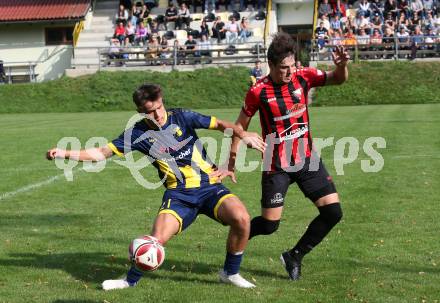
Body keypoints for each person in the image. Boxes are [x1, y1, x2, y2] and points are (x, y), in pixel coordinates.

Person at [46, 83, 267, 289]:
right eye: (150, 112)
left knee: (242, 218)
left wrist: (244, 135)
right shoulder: (137, 133)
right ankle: (129, 281)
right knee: (154, 241)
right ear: (141, 112)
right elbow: (100, 153)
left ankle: (230, 273)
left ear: (162, 101)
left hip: (210, 186)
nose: (157, 115)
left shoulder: (182, 116)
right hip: (179, 195)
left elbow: (221, 125)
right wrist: (65, 152)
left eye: (159, 107)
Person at [213, 32, 349, 281]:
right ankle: (238, 234)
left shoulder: (304, 76)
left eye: (292, 65)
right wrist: (230, 163)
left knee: (333, 213)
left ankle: (294, 256)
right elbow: (238, 127)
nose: (290, 72)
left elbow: (337, 80)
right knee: (269, 225)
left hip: (307, 159)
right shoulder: (258, 91)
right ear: (271, 65)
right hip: (276, 165)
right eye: (284, 68)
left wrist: (342, 67)